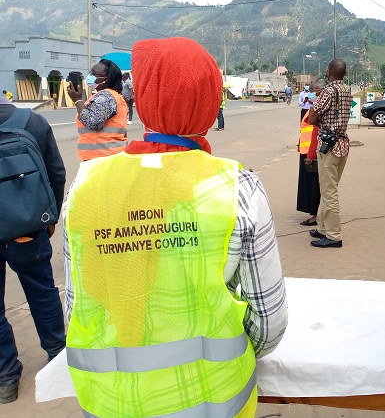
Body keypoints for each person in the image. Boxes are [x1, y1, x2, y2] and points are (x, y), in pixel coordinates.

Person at [62, 37, 287, 418]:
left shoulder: (85, 186)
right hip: (214, 399)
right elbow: (268, 323)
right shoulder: (237, 188)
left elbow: (75, 309)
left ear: (144, 98)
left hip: (109, 401)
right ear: (210, 102)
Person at [0, 91, 66, 404]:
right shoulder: (32, 122)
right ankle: (57, 358)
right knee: (41, 292)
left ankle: (6, 378)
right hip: (28, 227)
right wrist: (49, 218)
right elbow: (56, 173)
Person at [308, 59, 351, 248]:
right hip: (342, 145)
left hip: (328, 147)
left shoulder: (329, 90)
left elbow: (313, 114)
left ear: (328, 72)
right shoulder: (347, 90)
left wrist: (317, 119)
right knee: (328, 189)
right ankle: (322, 227)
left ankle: (333, 235)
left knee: (329, 192)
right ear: (345, 73)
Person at [67, 58, 128, 161]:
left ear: (106, 79)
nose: (90, 76)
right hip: (108, 155)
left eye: (94, 74)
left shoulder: (106, 97)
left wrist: (77, 100)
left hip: (102, 158)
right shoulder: (111, 96)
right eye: (90, 72)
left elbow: (92, 122)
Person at [297, 79, 325, 226]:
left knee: (314, 184)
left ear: (320, 91)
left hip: (311, 153)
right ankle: (313, 212)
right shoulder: (313, 107)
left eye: (313, 91)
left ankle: (315, 215)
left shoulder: (319, 109)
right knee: (308, 183)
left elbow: (315, 133)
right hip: (305, 150)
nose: (310, 94)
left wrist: (310, 155)